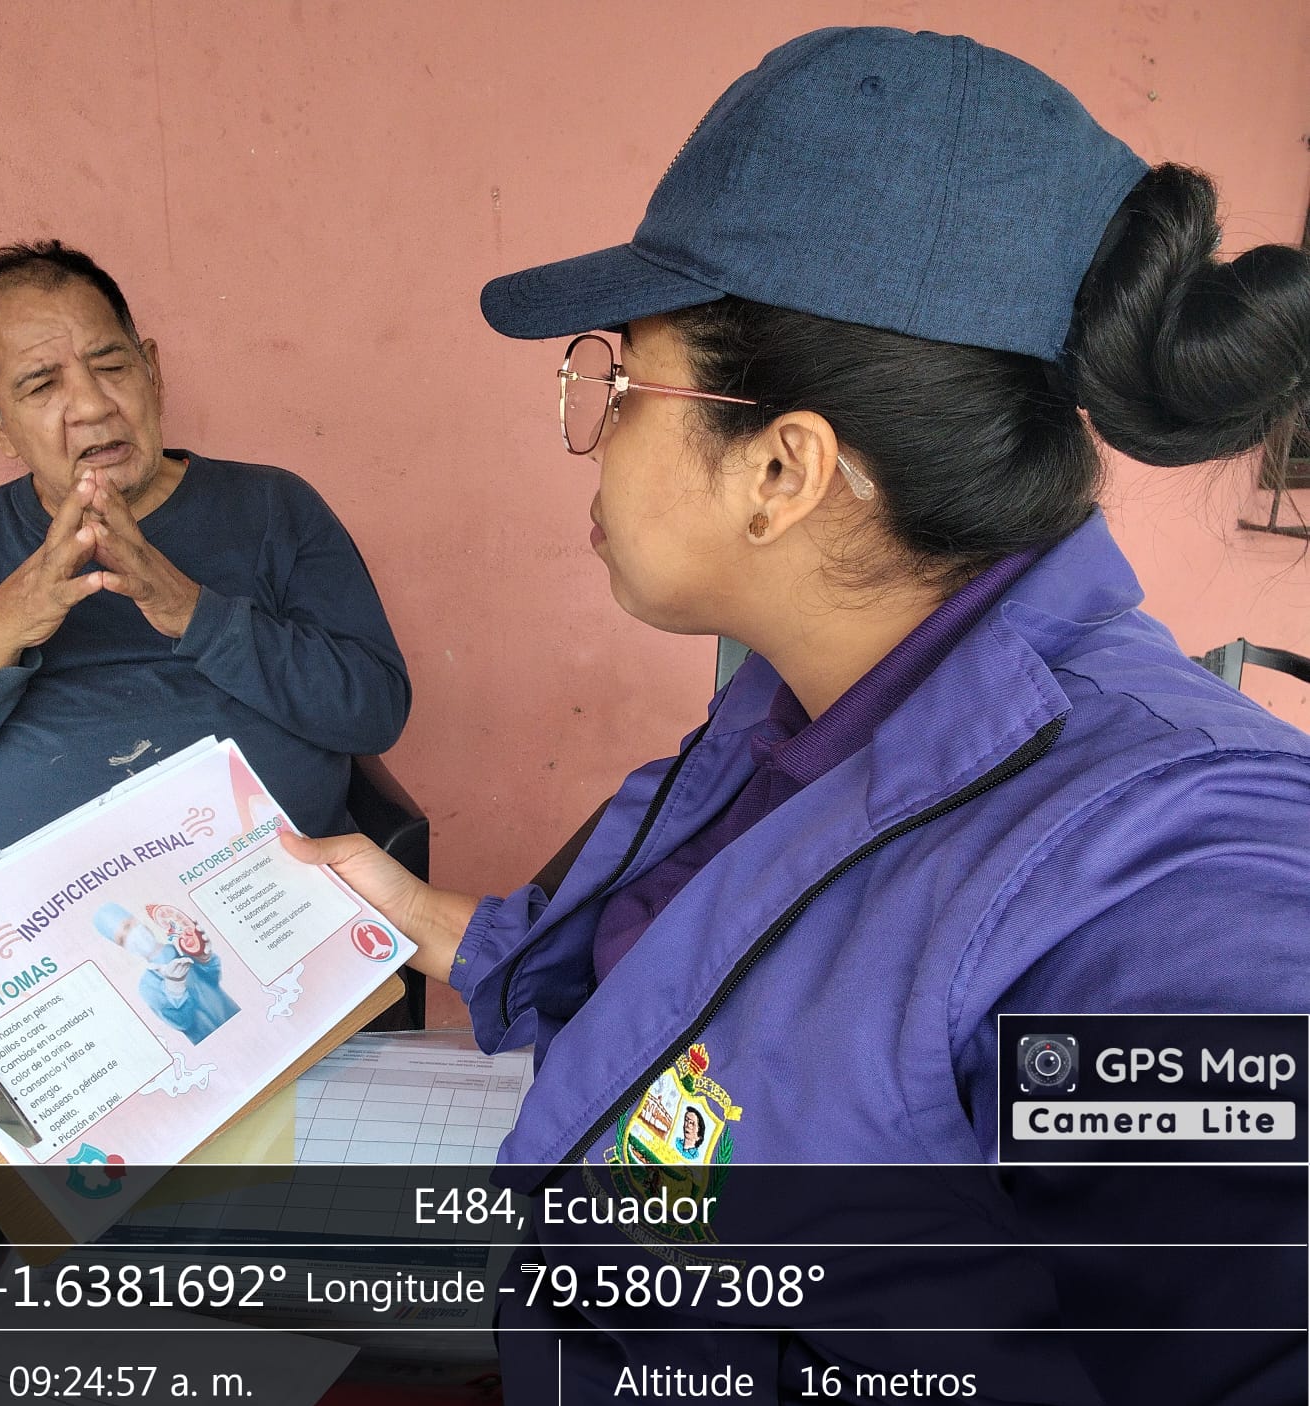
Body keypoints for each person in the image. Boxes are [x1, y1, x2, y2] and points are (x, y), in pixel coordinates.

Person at [282, 26, 1310, 1164]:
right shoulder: (801, 705)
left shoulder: (1176, 861)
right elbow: (703, 968)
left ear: (782, 470)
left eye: (621, 384)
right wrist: (434, 924)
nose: (596, 433)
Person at [0, 241, 411, 861]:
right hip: (48, 908)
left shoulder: (274, 508)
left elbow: (373, 711)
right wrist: (0, 627)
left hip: (266, 885)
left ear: (153, 372)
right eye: (42, 384)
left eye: (112, 366)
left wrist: (194, 612)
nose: (93, 406)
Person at [93, 901, 239, 1045]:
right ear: (123, 947)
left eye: (128, 926)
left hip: (234, 1016)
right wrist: (175, 990)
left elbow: (213, 977)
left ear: (138, 921)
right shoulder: (147, 986)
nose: (132, 936)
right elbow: (182, 1023)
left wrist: (205, 957)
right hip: (212, 1042)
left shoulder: (182, 947)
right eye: (122, 939)